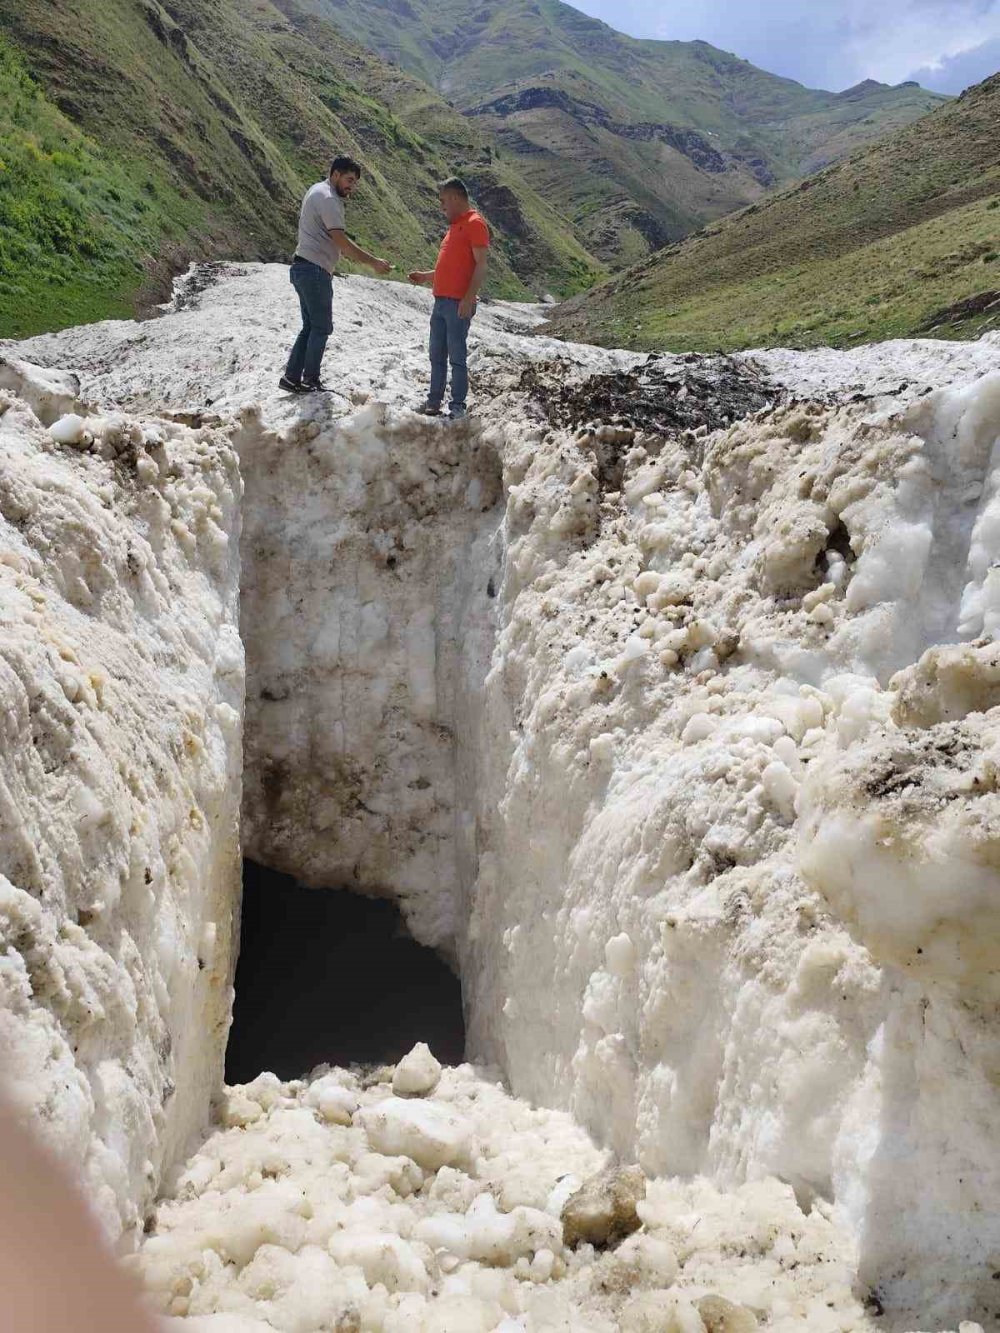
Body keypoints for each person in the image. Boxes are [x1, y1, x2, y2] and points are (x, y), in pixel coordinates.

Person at [280, 155, 392, 394]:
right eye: (349, 179)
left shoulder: (317, 190)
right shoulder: (329, 198)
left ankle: (291, 377)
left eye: (355, 182)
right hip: (314, 270)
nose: (351, 186)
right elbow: (341, 241)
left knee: (310, 326)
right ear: (335, 174)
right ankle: (310, 379)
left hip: (303, 266)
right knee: (321, 327)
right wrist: (374, 263)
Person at [408, 178, 490, 421]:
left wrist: (467, 298)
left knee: (456, 356)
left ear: (455, 198)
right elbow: (451, 268)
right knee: (436, 354)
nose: (442, 207)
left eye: (443, 201)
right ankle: (434, 401)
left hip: (457, 303)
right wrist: (426, 276)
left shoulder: (475, 224)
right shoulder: (455, 227)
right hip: (441, 301)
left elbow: (482, 265)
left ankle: (457, 404)